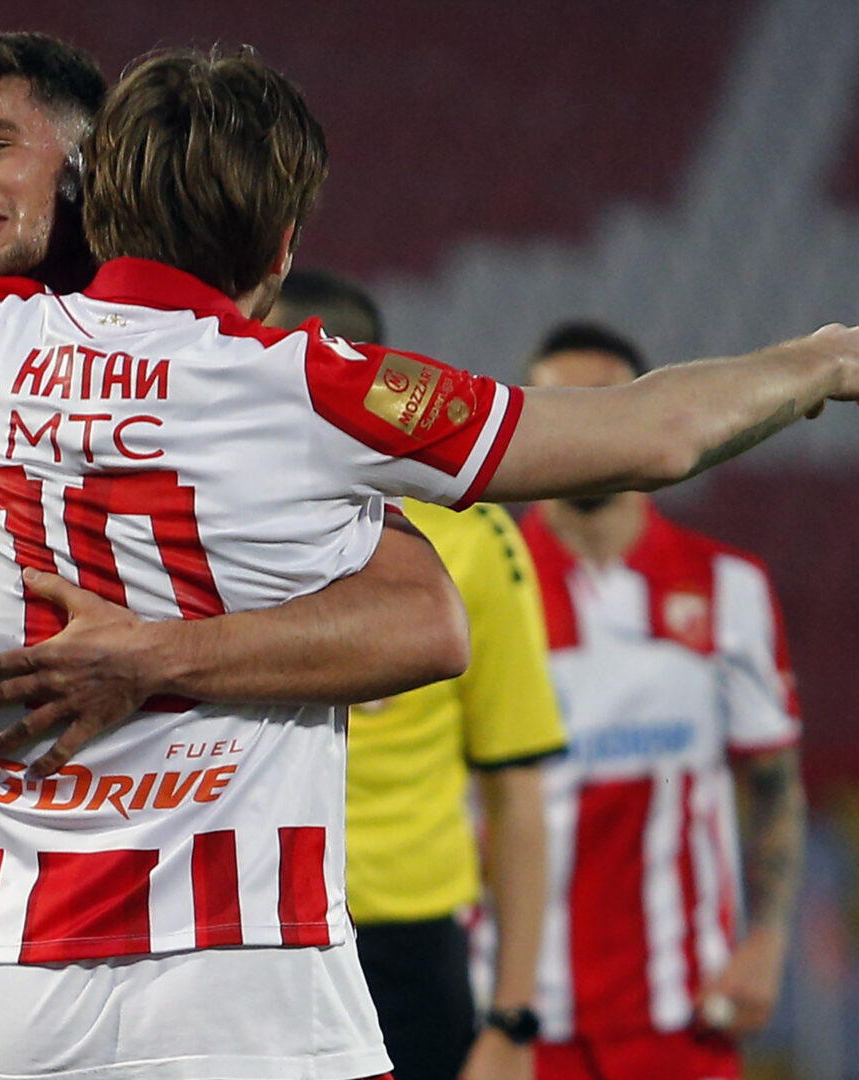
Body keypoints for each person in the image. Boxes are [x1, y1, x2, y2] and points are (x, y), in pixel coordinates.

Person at [0, 40, 859, 1080]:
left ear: (94, 196)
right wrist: (814, 361)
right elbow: (651, 434)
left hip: (9, 997)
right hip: (258, 999)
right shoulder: (313, 387)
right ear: (282, 242)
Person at [0, 25, 469, 1080]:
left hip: (232, 962)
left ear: (92, 162)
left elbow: (426, 619)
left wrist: (154, 658)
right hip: (7, 966)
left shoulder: (226, 372)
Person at [268, 271, 565, 1080]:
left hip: (407, 942)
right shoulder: (224, 514)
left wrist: (512, 1017)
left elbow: (515, 788)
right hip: (251, 925)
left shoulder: (475, 540)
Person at [499, 322, 811, 1080]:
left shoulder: (727, 587)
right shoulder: (483, 591)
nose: (587, 430)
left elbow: (772, 780)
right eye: (561, 407)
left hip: (685, 1015)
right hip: (519, 1024)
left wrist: (768, 943)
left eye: (610, 407)